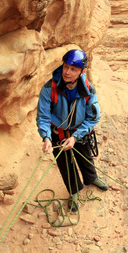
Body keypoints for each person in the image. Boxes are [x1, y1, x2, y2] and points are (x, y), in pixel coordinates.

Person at [36, 49, 108, 212]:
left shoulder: (89, 90)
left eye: (73, 69)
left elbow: (93, 117)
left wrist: (75, 137)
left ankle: (92, 178)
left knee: (86, 157)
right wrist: (46, 137)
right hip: (58, 135)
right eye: (66, 67)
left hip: (80, 133)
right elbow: (43, 116)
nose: (67, 72)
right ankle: (74, 191)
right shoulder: (49, 88)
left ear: (81, 72)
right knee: (65, 164)